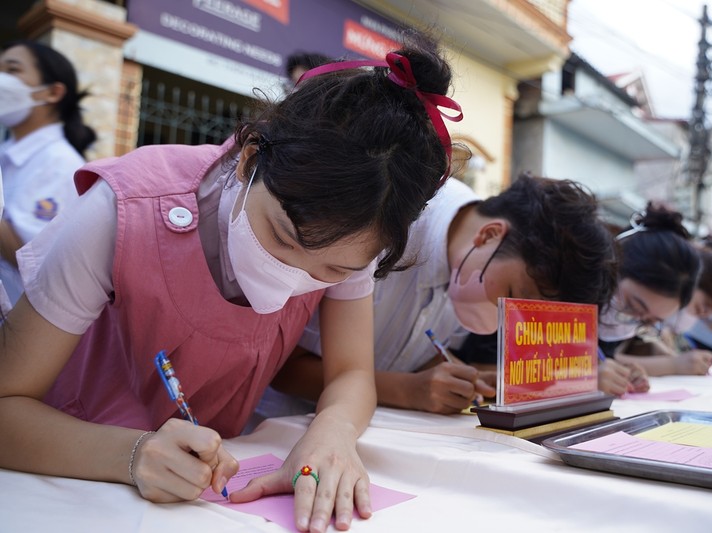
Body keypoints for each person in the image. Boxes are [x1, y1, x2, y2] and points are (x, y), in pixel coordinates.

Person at [0, 34, 461, 533]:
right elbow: (7, 405)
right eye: (282, 238)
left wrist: (332, 433)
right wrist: (130, 454)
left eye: (333, 272)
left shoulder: (360, 234)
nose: (293, 278)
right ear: (248, 160)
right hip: (57, 485)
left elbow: (351, 374)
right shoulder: (124, 210)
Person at [255, 173, 618, 417]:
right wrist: (408, 391)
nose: (502, 316)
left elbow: (410, 351)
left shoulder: (473, 267)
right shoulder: (383, 226)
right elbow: (279, 366)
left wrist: (458, 378)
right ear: (489, 235)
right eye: (510, 294)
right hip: (270, 429)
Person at [0, 40, 95, 305]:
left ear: (52, 92)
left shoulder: (60, 163)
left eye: (12, 70)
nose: (3, 79)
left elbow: (33, 259)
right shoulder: (9, 152)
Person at [597, 203, 702, 394]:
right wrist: (580, 380)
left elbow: (602, 361)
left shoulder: (620, 329)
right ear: (613, 266)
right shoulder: (562, 298)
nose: (632, 320)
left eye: (649, 321)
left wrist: (619, 374)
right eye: (631, 305)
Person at [613, 243, 712, 376]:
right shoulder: (622, 307)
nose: (701, 314)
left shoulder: (656, 326)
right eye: (701, 307)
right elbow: (602, 361)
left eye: (705, 315)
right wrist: (673, 365)